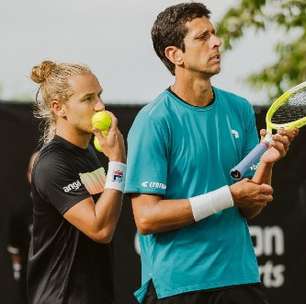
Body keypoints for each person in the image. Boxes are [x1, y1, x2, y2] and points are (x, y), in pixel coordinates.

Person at [125, 3, 298, 304]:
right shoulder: (153, 121)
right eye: (202, 37)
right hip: (178, 285)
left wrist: (266, 164)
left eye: (214, 34)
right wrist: (228, 196)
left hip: (239, 277)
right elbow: (147, 218)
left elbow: (249, 207)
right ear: (174, 55)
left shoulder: (240, 109)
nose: (216, 42)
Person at [27, 60, 126, 304]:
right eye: (88, 99)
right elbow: (100, 229)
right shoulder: (52, 164)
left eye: (100, 96)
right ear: (59, 108)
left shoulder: (89, 153)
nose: (100, 106)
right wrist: (117, 161)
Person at [7, 152, 38, 304]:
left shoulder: (69, 207)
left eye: (44, 170)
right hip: (32, 284)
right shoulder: (21, 213)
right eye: (35, 171)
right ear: (28, 175)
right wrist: (18, 271)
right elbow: (15, 248)